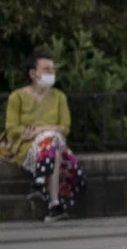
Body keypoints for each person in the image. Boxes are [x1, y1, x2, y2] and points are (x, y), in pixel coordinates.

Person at [5, 52, 81, 221]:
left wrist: (41, 130)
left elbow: (65, 128)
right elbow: (12, 129)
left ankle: (40, 183)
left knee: (51, 138)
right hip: (28, 149)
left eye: (53, 69)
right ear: (33, 74)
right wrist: (41, 133)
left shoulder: (59, 97)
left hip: (54, 147)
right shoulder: (17, 97)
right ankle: (54, 204)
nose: (51, 73)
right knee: (52, 141)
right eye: (47, 69)